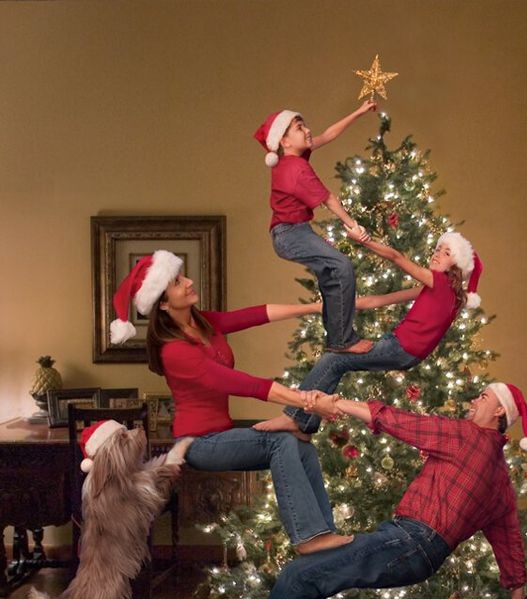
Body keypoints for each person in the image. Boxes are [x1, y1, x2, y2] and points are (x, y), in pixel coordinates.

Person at [209, 382, 527, 599]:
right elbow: (509, 540)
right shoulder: (500, 479)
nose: (474, 400)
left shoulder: (468, 436)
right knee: (317, 575)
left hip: (411, 541)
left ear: (498, 412)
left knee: (299, 573)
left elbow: (400, 422)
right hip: (418, 550)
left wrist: (336, 403)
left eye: (484, 397)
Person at [109, 249, 349, 555]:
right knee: (283, 442)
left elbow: (253, 315)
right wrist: (306, 401)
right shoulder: (174, 351)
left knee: (301, 445)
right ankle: (308, 538)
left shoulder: (202, 323)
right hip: (199, 444)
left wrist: (315, 307)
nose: (189, 281)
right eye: (178, 281)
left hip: (223, 433)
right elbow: (241, 384)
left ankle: (324, 533)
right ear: (164, 303)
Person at [255, 230, 483, 435]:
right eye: (437, 249)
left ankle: (294, 417)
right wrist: (339, 303)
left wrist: (364, 240)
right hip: (402, 349)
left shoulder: (440, 282)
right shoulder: (438, 289)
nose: (437, 254)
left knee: (334, 359)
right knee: (338, 364)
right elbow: (376, 301)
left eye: (446, 252)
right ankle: (306, 422)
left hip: (401, 348)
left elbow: (396, 257)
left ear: (458, 266)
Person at [254, 102, 378, 354]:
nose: (307, 130)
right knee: (341, 266)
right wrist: (354, 226)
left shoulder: (293, 157)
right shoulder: (295, 169)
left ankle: (337, 341)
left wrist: (358, 112)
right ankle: (343, 340)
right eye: (300, 128)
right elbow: (329, 200)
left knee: (332, 277)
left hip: (295, 231)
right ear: (285, 141)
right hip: (290, 234)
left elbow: (328, 135)